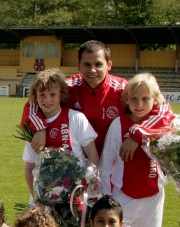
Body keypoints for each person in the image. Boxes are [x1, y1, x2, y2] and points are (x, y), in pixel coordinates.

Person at [22, 40, 172, 158]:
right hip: (76, 163)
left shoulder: (123, 89)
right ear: (78, 66)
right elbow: (33, 102)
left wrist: (137, 135)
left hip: (116, 162)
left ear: (109, 65)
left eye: (98, 64)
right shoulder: (67, 88)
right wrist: (40, 128)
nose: (92, 70)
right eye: (87, 64)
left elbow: (164, 109)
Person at [99, 74, 172, 227]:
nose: (139, 105)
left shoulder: (165, 125)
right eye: (134, 99)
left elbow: (176, 164)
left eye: (145, 99)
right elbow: (105, 164)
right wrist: (105, 200)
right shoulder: (118, 124)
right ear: (126, 100)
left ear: (155, 100)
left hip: (153, 198)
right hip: (123, 198)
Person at [22, 69, 99, 201]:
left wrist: (86, 184)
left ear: (61, 95)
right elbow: (29, 168)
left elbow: (92, 155)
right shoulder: (32, 127)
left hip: (76, 194)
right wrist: (36, 199)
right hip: (43, 197)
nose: (47, 100)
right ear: (35, 96)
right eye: (42, 94)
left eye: (52, 94)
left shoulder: (76, 118)